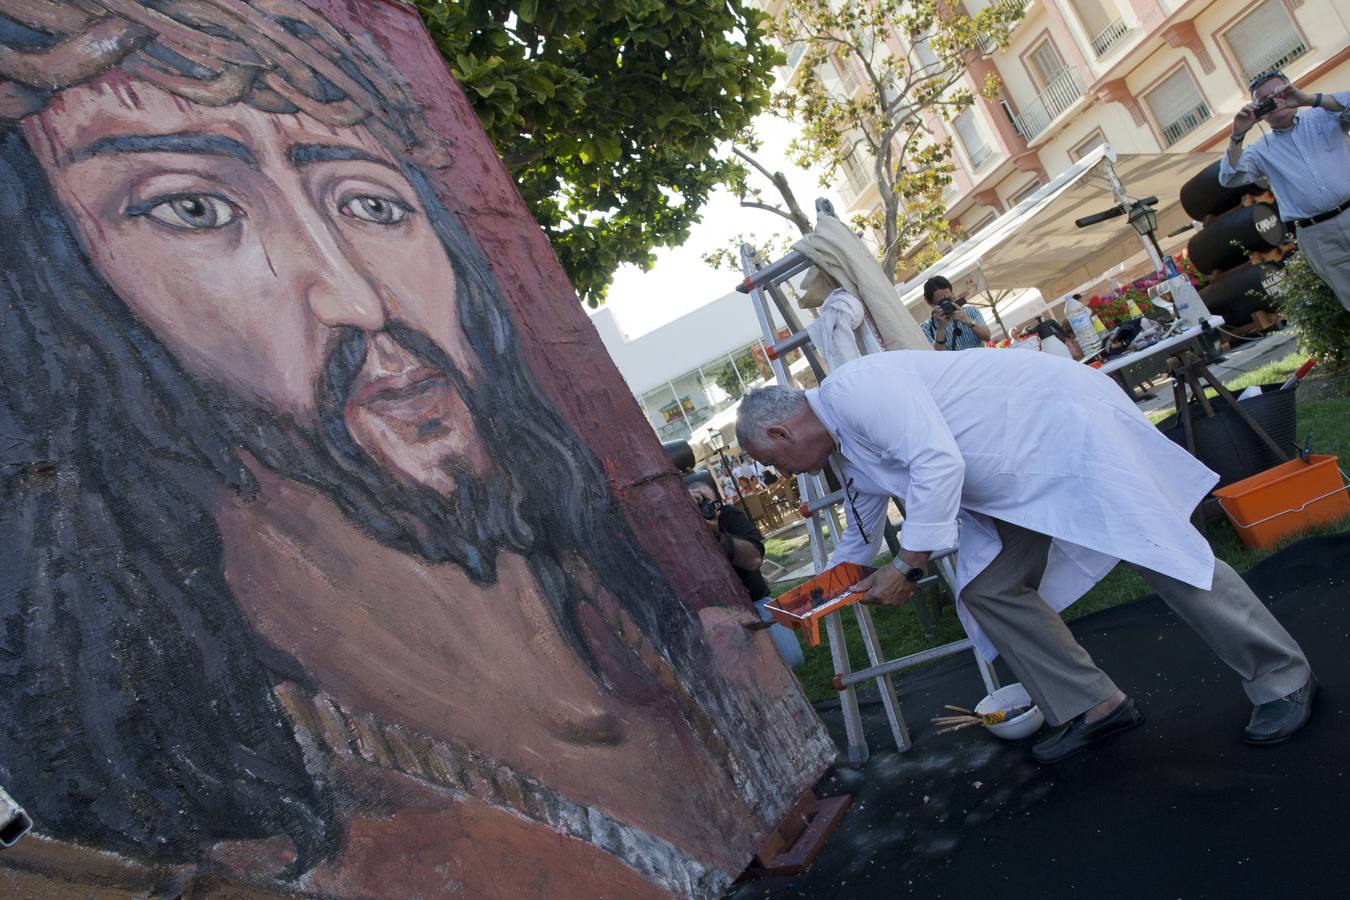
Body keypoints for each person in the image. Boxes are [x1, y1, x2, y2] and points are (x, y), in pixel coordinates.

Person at [0, 1, 807, 893]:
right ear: (67, 307)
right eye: (194, 207)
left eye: (372, 204)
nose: (357, 299)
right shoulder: (284, 841)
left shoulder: (679, 650)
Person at [735, 352, 1316, 764]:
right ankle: (1096, 706)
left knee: (1165, 557)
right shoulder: (843, 446)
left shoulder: (856, 391)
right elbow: (857, 542)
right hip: (1017, 484)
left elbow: (938, 464)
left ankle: (1282, 678)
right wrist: (801, 604)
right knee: (989, 590)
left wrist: (909, 565)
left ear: (783, 432)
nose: (782, 476)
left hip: (1066, 434)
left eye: (776, 463)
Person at [1220, 70, 1350, 310]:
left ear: (1291, 89)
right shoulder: (1260, 149)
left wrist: (1309, 99)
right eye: (1264, 100)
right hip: (1317, 234)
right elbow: (1229, 178)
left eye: (1278, 93)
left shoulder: (1323, 116)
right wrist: (1237, 135)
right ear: (1259, 110)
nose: (1274, 101)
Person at [687, 480, 804, 669]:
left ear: (719, 503)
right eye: (697, 504)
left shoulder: (729, 516)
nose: (705, 509)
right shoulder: (679, 530)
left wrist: (718, 533)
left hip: (754, 601)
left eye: (709, 503)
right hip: (712, 614)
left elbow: (754, 560)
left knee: (792, 659)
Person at [920, 276, 992, 350]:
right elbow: (937, 357)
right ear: (930, 303)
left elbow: (987, 336)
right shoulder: (926, 328)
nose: (946, 304)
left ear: (953, 293)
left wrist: (969, 322)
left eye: (949, 299)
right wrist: (940, 328)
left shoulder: (971, 311)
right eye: (941, 302)